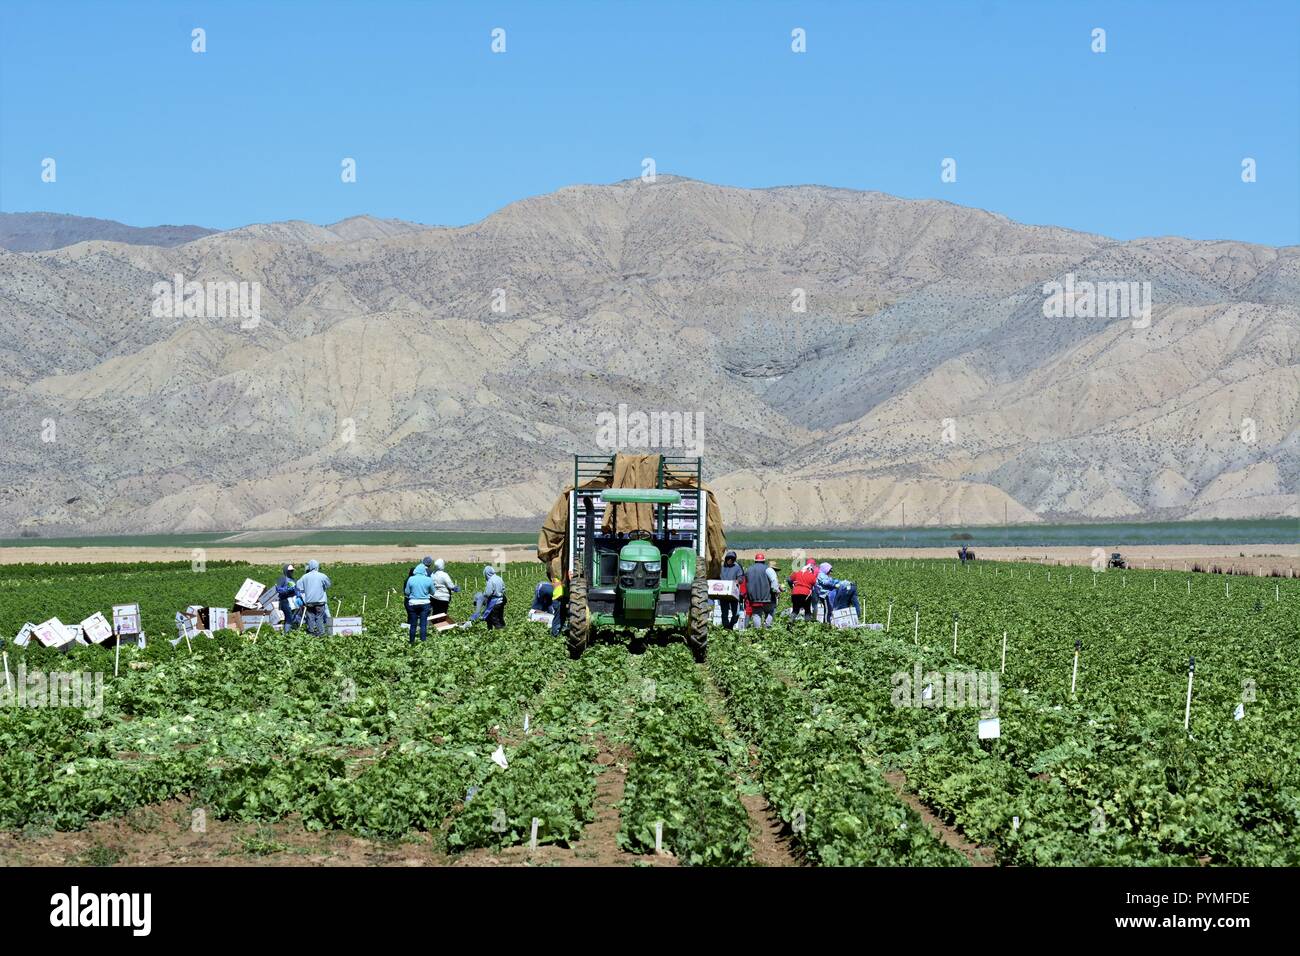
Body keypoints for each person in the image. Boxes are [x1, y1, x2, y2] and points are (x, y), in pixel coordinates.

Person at [298, 560, 332, 636]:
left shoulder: (304, 577)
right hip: (320, 602)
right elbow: (328, 584)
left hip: (309, 602)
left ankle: (311, 633)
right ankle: (321, 633)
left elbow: (298, 586)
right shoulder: (322, 576)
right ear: (317, 566)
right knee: (319, 618)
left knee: (310, 618)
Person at [404, 563, 435, 644]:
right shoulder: (428, 579)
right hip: (425, 604)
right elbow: (433, 592)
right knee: (423, 624)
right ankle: (423, 642)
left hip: (413, 603)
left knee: (413, 624)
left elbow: (407, 592)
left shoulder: (411, 579)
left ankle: (411, 642)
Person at [743, 552, 774, 630]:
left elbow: (745, 583)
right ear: (763, 561)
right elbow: (773, 581)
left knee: (756, 614)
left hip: (754, 598)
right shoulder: (768, 569)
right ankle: (767, 628)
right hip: (767, 597)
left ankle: (758, 631)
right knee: (769, 612)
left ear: (755, 561)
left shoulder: (749, 570)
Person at [718, 550, 744, 629]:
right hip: (723, 593)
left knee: (735, 613)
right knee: (724, 612)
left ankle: (731, 625)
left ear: (734, 560)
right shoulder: (721, 567)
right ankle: (726, 627)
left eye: (732, 559)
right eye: (728, 558)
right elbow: (716, 576)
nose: (730, 560)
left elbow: (740, 578)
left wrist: (737, 581)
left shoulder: (737, 567)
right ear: (726, 559)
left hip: (733, 592)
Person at [275, 564, 301, 634]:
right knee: (289, 618)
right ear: (286, 571)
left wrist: (298, 595)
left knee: (294, 617)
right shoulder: (282, 578)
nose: (291, 572)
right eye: (290, 571)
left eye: (292, 571)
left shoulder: (293, 579)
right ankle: (287, 634)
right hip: (285, 601)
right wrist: (287, 589)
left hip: (293, 602)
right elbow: (278, 589)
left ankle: (292, 632)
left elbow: (296, 589)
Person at [765, 558, 782, 626]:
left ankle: (765, 625)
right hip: (771, 595)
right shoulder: (772, 574)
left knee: (766, 611)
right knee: (772, 611)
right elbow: (774, 586)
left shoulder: (765, 573)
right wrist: (777, 591)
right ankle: (767, 625)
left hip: (764, 595)